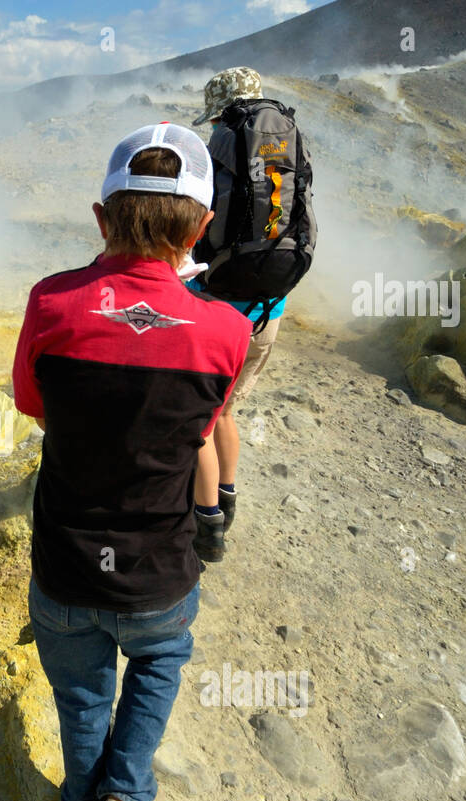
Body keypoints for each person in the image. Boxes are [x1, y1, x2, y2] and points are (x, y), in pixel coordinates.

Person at [13, 125, 249, 801]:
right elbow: (203, 427)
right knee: (160, 660)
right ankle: (129, 796)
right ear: (204, 226)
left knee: (81, 697)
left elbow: (31, 403)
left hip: (66, 566)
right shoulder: (227, 330)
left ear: (100, 217)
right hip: (159, 569)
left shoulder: (51, 303)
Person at [189, 67, 317, 561]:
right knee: (227, 410)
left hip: (217, 306)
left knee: (197, 416)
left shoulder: (220, 143)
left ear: (220, 110)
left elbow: (199, 225)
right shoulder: (288, 139)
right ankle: (228, 496)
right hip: (270, 306)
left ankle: (207, 527)